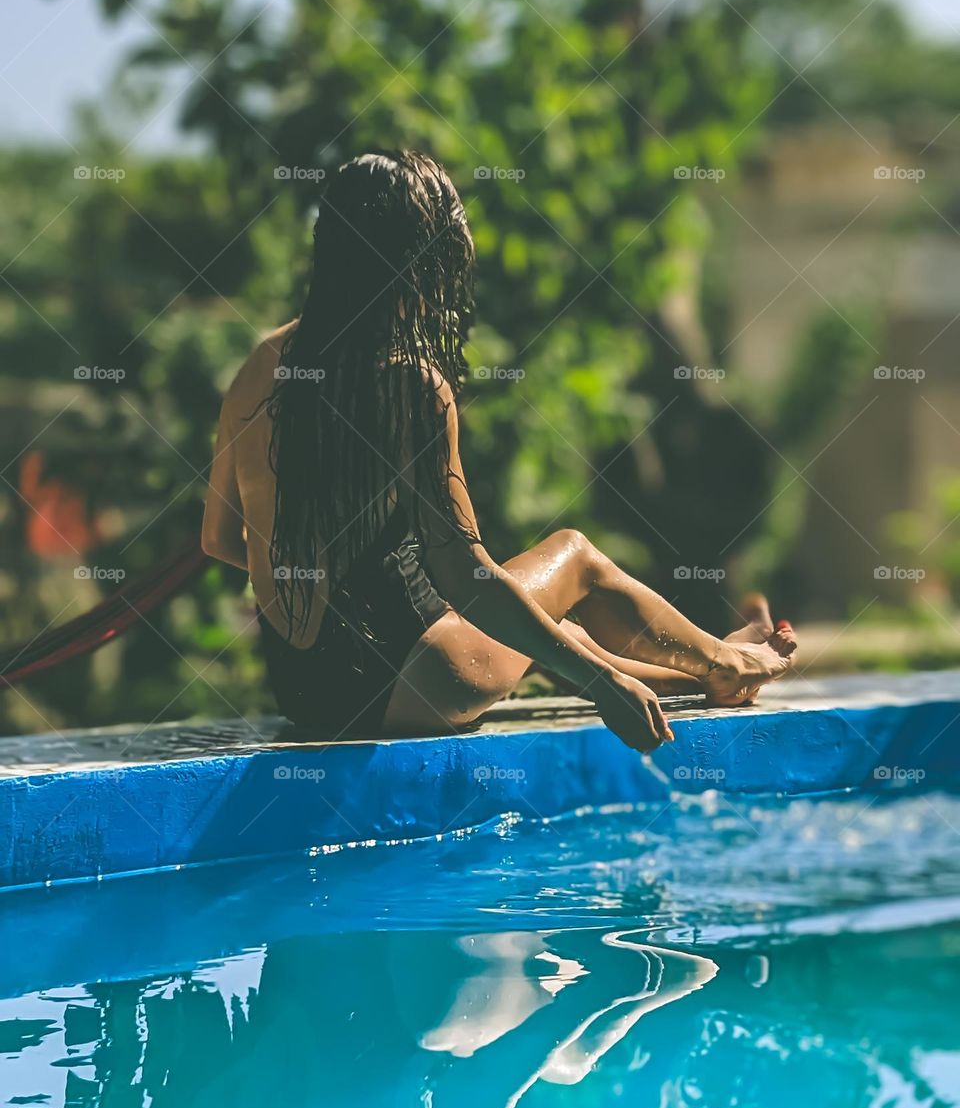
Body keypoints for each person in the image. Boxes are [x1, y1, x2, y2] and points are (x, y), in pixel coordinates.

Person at [202, 149, 796, 751]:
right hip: (416, 682)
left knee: (546, 636)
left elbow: (221, 540)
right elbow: (467, 576)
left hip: (307, 694)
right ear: (417, 263)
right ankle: (729, 661)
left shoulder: (262, 366)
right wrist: (595, 683)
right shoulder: (408, 382)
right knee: (576, 557)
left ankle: (713, 668)